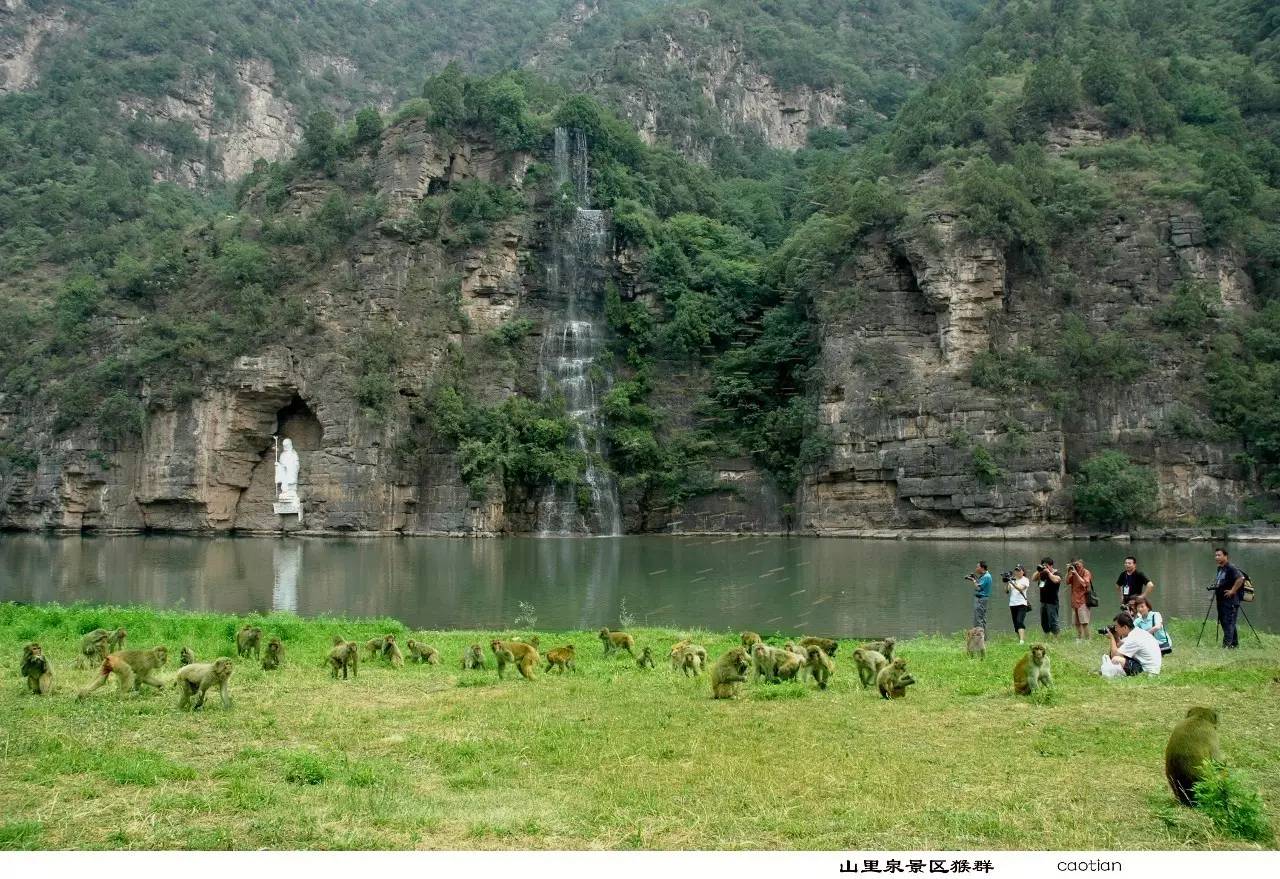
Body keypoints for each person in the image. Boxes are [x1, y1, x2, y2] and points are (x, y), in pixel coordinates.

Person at [1100, 611, 1162, 678]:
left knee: (1116, 659)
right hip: (1152, 668)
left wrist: (1112, 637)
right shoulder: (1136, 632)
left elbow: (1114, 655)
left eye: (1116, 627)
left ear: (1125, 627)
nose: (1116, 629)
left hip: (1148, 672)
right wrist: (1116, 637)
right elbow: (1119, 645)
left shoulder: (1134, 638)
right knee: (1118, 659)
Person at [1213, 547, 1245, 649]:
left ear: (1225, 556)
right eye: (1216, 555)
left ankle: (1226, 646)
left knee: (1229, 623)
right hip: (1221, 601)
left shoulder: (1231, 568)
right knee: (1226, 623)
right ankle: (1234, 645)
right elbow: (1220, 583)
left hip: (1230, 602)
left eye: (1219, 555)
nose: (1216, 557)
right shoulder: (1220, 568)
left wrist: (1232, 591)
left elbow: (1241, 578)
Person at [1031, 557, 1061, 638]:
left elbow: (1056, 580)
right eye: (1043, 565)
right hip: (1043, 601)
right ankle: (1047, 636)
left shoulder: (1056, 573)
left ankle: (1056, 638)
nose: (1045, 567)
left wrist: (1048, 572)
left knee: (1053, 621)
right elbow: (1033, 578)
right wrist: (1039, 570)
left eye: (1046, 565)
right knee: (1044, 621)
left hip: (1052, 602)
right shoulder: (1041, 573)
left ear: (1051, 565)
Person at [1067, 557, 1093, 641]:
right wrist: (1068, 572)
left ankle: (1088, 639)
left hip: (1083, 600)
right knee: (1076, 622)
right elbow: (1067, 582)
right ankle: (1079, 638)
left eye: (1078, 564)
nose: (1076, 566)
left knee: (1084, 622)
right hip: (1075, 600)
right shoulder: (1073, 572)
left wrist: (1076, 574)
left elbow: (1084, 583)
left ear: (1082, 563)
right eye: (1075, 564)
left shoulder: (1086, 572)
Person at [1006, 564, 1031, 644]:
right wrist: (1007, 582)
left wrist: (1012, 582)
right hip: (1012, 604)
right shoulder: (1012, 579)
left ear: (1023, 572)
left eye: (1019, 570)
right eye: (1016, 570)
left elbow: (1020, 589)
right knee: (1015, 624)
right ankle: (1020, 640)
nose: (1017, 572)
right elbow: (1006, 591)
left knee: (1019, 621)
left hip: (1022, 604)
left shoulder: (1025, 580)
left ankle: (1022, 641)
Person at [967, 561, 993, 635]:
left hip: (981, 599)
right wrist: (975, 577)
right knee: (982, 619)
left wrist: (973, 580)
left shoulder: (986, 576)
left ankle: (979, 639)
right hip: (983, 599)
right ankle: (983, 638)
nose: (976, 568)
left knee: (978, 619)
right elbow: (980, 583)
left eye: (977, 567)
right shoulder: (984, 575)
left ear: (982, 568)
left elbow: (978, 588)